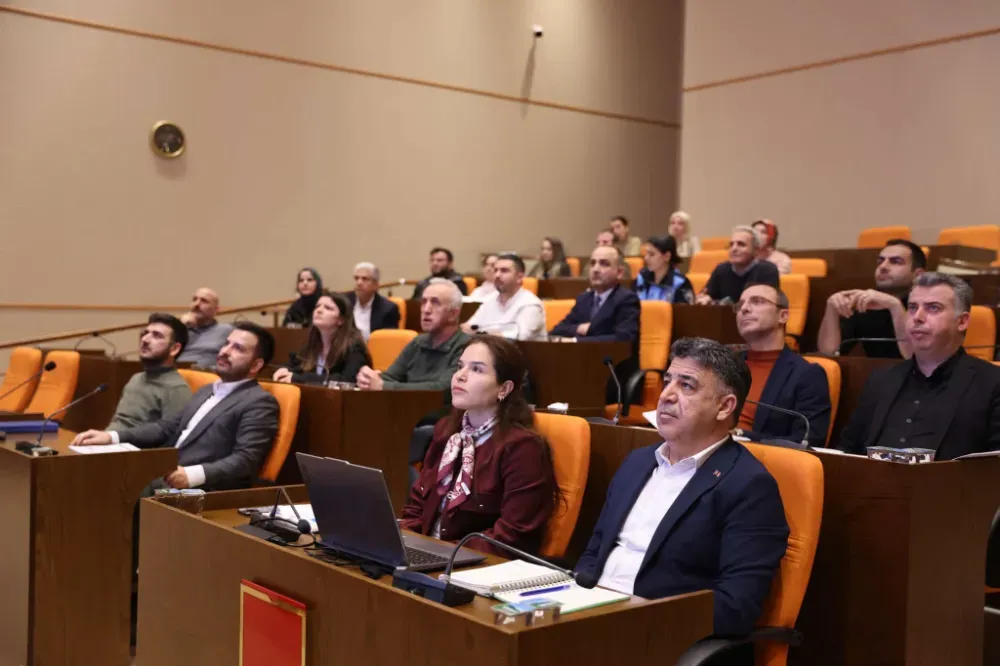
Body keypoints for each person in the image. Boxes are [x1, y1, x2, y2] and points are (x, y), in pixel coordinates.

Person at [576, 337, 789, 639]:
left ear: (724, 407)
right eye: (667, 382)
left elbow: (736, 607)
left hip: (657, 635)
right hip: (588, 618)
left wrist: (637, 616)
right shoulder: (637, 462)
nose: (666, 395)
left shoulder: (749, 486)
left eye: (686, 386)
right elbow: (594, 551)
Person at [71, 322, 280, 491]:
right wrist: (112, 437)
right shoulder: (206, 390)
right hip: (164, 472)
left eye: (238, 348)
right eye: (226, 344)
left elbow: (245, 460)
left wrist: (192, 475)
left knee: (105, 485)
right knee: (88, 472)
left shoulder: (259, 402)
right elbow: (167, 427)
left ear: (256, 365)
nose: (225, 351)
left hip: (200, 488)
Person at [399, 336, 557, 556]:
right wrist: (402, 540)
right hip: (429, 552)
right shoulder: (447, 431)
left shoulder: (523, 449)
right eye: (460, 366)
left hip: (477, 562)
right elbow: (417, 506)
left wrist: (445, 553)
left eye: (476, 369)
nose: (460, 376)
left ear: (504, 388)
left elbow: (512, 536)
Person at [838, 273, 1000, 459]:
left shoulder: (992, 383)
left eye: (933, 308)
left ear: (962, 321)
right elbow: (848, 450)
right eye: (913, 307)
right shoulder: (881, 380)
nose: (918, 317)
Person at [734, 283, 831, 446]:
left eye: (757, 301)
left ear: (783, 316)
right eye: (740, 305)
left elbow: (807, 440)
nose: (744, 309)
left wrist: (741, 434)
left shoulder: (807, 375)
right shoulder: (722, 365)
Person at [550, 246, 641, 402]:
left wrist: (577, 340)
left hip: (613, 373)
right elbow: (558, 330)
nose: (596, 269)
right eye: (592, 263)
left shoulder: (627, 299)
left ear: (619, 272)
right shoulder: (584, 298)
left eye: (604, 264)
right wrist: (580, 328)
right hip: (581, 366)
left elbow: (623, 339)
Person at [356, 279, 471, 393]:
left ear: (453, 314)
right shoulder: (417, 343)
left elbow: (443, 389)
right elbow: (391, 376)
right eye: (424, 302)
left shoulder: (467, 346)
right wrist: (369, 379)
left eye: (435, 303)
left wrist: (383, 386)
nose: (426, 310)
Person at [817, 239, 925, 359]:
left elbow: (918, 358)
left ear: (917, 275)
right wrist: (831, 309)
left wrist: (895, 306)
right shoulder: (866, 303)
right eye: (880, 261)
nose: (883, 267)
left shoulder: (929, 305)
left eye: (895, 262)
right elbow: (829, 354)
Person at [106, 313, 192, 432]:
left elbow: (170, 436)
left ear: (174, 349)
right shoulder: (136, 378)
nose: (145, 339)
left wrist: (112, 438)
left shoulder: (176, 389)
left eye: (157, 336)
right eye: (145, 333)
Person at [273, 292, 371, 385]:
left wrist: (299, 379)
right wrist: (284, 370)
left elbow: (346, 381)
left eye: (328, 308)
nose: (319, 310)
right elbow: (296, 365)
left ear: (341, 320)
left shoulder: (355, 348)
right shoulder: (313, 344)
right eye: (317, 306)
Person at [462, 254, 546, 340]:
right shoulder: (489, 299)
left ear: (519, 277)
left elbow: (522, 337)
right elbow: (468, 327)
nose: (497, 275)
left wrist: (484, 333)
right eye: (495, 270)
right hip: (486, 345)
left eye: (504, 271)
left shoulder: (530, 304)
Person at [696, 226, 780, 305]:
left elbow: (764, 305)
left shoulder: (766, 271)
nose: (734, 249)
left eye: (741, 244)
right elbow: (707, 295)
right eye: (731, 245)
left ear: (756, 250)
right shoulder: (721, 269)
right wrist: (705, 299)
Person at [177, 288, 234, 368]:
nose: (196, 304)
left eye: (204, 301)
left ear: (216, 309)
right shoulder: (181, 329)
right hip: (174, 372)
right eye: (194, 299)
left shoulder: (226, 330)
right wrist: (180, 326)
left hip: (205, 373)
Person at [346, 262, 400, 340]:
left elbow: (387, 340)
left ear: (376, 285)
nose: (359, 283)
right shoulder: (345, 302)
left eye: (365, 279)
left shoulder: (388, 309)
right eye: (356, 278)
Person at [633, 235, 694, 304]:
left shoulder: (680, 283)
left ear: (667, 256)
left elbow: (686, 310)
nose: (646, 258)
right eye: (646, 253)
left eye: (652, 254)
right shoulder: (642, 276)